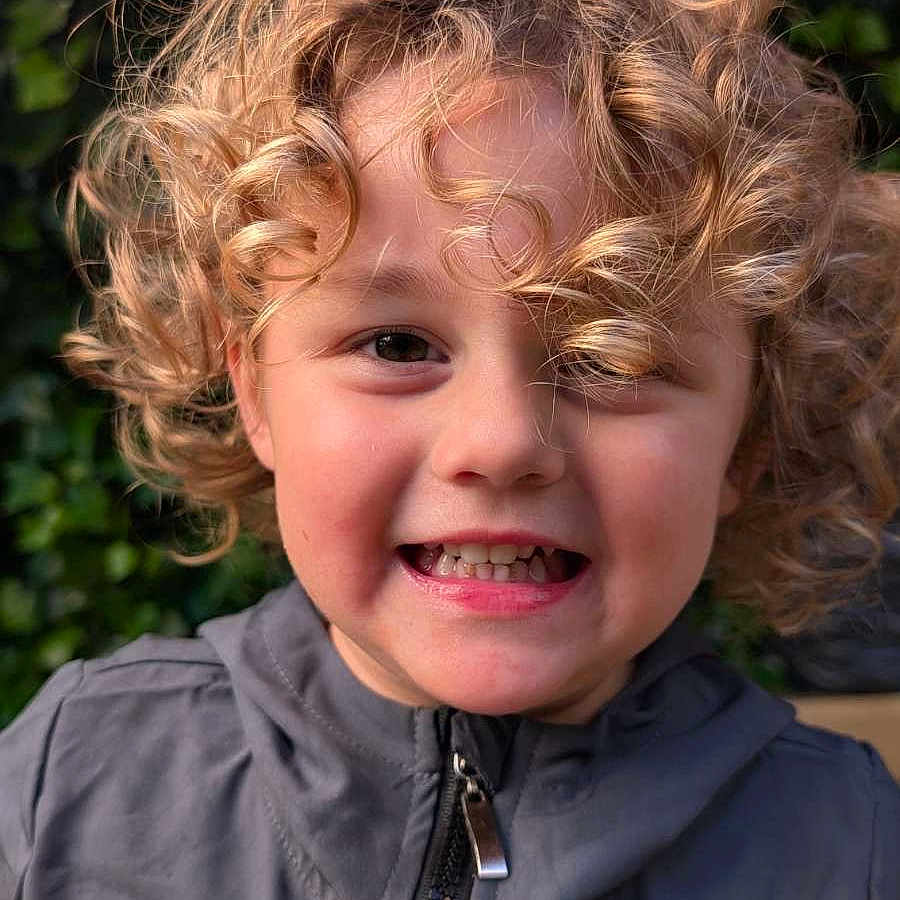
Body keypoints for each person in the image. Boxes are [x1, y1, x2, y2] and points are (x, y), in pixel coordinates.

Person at [1, 0, 898, 896]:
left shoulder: (848, 847)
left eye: (609, 355)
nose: (502, 441)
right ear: (255, 392)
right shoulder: (71, 782)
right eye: (396, 347)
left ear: (743, 440)